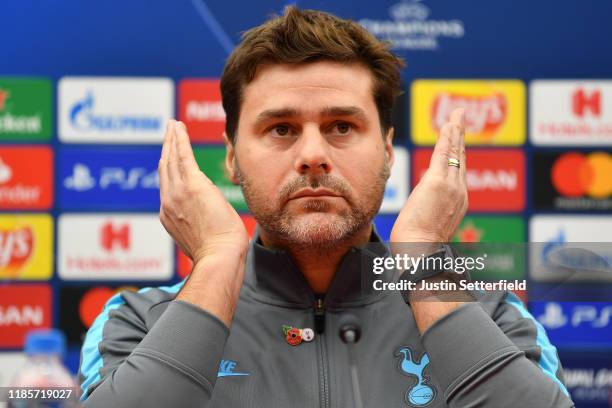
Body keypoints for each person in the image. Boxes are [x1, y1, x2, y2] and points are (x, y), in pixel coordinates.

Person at [78, 6, 574, 407]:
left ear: (385, 150)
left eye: (341, 126)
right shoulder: (139, 322)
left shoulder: (493, 317)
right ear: (231, 158)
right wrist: (217, 263)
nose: (312, 155)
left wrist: (423, 260)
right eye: (281, 129)